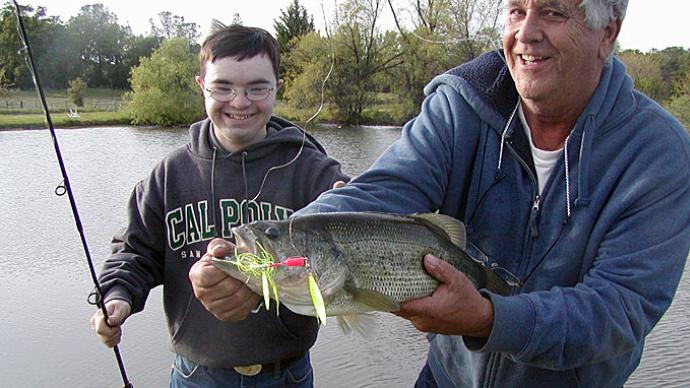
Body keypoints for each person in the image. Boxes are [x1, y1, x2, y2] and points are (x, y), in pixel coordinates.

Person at [196, 0, 690, 386]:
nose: (526, 33)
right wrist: (274, 257)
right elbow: (379, 191)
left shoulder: (658, 154)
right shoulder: (462, 106)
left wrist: (488, 318)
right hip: (449, 378)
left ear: (608, 33)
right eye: (516, 11)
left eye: (554, 12)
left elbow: (620, 309)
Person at [90, 25, 348, 387]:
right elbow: (135, 253)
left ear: (277, 87)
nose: (240, 102)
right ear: (202, 87)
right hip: (195, 374)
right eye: (223, 87)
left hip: (286, 373)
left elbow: (360, 228)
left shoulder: (312, 172)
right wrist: (116, 296)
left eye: (257, 87)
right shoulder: (169, 175)